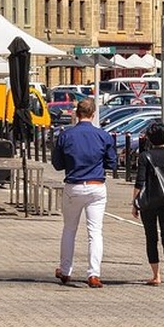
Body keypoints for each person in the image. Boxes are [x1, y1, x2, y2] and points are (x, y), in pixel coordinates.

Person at [51, 98, 117, 288]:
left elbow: (57, 164)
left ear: (76, 114)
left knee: (69, 229)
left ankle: (65, 270)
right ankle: (93, 274)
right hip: (96, 186)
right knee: (95, 232)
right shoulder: (103, 136)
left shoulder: (66, 135)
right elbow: (111, 163)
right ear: (94, 114)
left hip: (74, 185)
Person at [131, 121, 164, 287]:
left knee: (151, 237)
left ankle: (156, 275)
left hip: (149, 202)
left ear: (148, 138)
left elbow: (139, 182)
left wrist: (134, 203)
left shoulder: (145, 156)